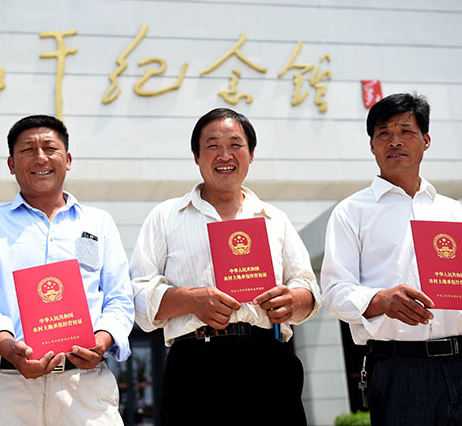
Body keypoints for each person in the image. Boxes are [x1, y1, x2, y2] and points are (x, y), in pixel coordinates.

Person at [320, 92, 462, 426]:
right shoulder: (351, 212)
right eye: (384, 133)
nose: (394, 141)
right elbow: (334, 292)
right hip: (399, 370)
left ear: (426, 140)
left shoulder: (452, 210)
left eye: (406, 131)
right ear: (372, 146)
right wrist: (380, 300)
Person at [130, 108, 321, 426]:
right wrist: (192, 300)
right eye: (213, 145)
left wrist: (293, 300)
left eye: (235, 144)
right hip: (195, 364)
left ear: (251, 154)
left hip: (269, 361)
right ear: (196, 156)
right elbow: (138, 296)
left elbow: (308, 287)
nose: (225, 155)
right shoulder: (166, 217)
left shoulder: (274, 219)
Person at [0, 114, 134, 426]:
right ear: (11, 164)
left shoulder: (98, 223)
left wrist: (103, 340)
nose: (40, 158)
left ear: (68, 159)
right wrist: (7, 346)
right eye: (27, 150)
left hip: (84, 387)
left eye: (50, 148)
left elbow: (119, 297)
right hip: (6, 388)